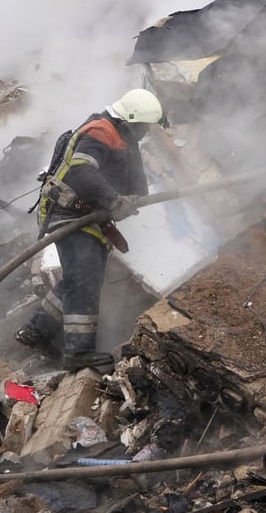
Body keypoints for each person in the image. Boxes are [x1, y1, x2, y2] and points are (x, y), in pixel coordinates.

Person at [15, 88, 167, 371]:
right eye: (145, 126)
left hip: (90, 219)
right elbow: (81, 170)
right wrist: (113, 200)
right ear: (131, 120)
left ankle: (36, 330)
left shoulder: (125, 141)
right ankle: (79, 352)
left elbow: (138, 189)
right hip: (70, 214)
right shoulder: (102, 130)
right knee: (84, 280)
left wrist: (131, 198)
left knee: (77, 278)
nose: (146, 132)